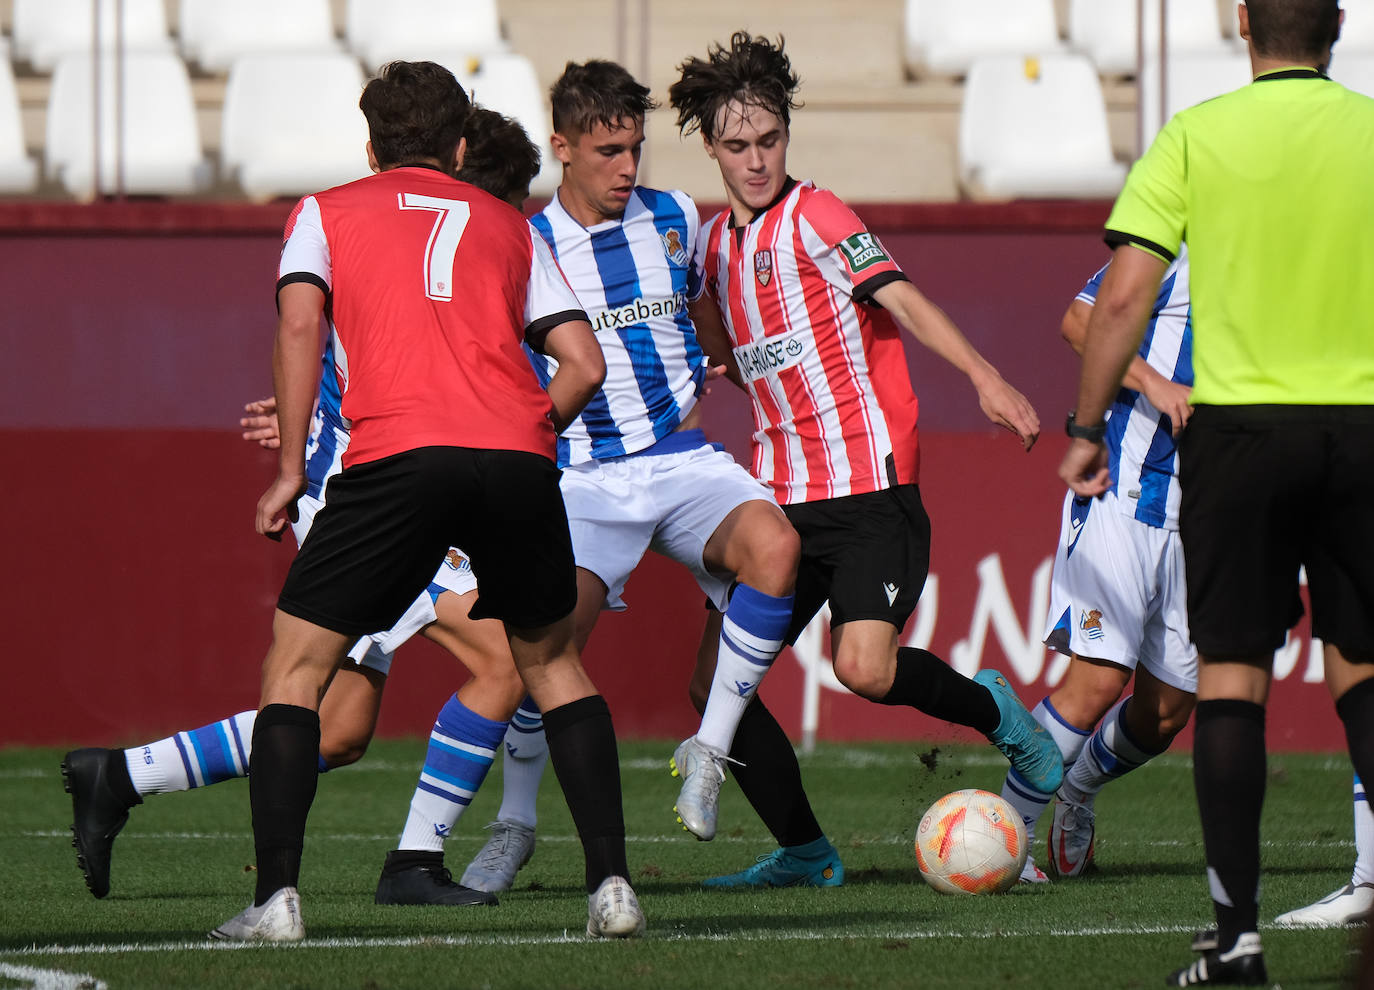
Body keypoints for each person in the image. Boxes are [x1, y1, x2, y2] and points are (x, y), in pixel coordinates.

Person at [60, 107, 548, 909]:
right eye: (505, 197)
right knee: (504, 657)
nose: (509, 217)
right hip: (376, 497)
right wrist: (309, 426)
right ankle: (414, 865)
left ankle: (118, 775)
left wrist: (309, 416)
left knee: (339, 728)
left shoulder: (449, 250)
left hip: (385, 482)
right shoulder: (443, 249)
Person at [208, 61, 637, 943]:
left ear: (370, 147)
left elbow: (300, 326)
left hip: (398, 454)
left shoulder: (325, 212)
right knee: (552, 664)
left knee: (296, 670)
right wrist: (526, 431)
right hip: (515, 455)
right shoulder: (512, 224)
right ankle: (613, 891)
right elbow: (584, 364)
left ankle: (277, 901)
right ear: (461, 144)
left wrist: (291, 468)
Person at [666, 32, 1062, 886]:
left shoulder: (817, 216)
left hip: (867, 489)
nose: (757, 159)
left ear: (786, 135)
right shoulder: (712, 247)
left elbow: (904, 299)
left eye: (769, 140)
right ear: (710, 146)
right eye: (738, 145)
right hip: (775, 502)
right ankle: (807, 854)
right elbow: (717, 334)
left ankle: (994, 707)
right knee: (711, 686)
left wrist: (984, 376)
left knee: (862, 670)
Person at [1057, 1, 1374, 983]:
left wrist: (1083, 428)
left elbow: (1119, 298)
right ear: (1334, 27)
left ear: (1243, 23)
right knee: (1363, 672)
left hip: (1237, 435)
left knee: (1232, 678)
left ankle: (1235, 941)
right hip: (1363, 426)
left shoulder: (1197, 134)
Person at [999, 250, 1196, 884]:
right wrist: (1154, 383)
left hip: (1205, 515)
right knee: (1098, 684)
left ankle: (1077, 788)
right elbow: (1080, 323)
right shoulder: (1177, 249)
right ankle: (1003, 836)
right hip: (1122, 494)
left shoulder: (1290, 263)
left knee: (1167, 711)